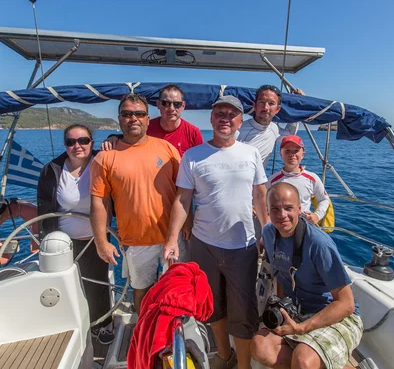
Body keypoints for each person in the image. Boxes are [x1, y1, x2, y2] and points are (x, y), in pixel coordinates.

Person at [163, 95, 269, 369]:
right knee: (212, 306)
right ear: (211, 118)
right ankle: (225, 354)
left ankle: (244, 365)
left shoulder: (251, 153)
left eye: (232, 114)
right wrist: (172, 239)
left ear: (240, 121)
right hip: (204, 244)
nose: (225, 118)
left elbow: (260, 195)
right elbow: (182, 200)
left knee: (243, 311)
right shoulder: (193, 155)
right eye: (219, 112)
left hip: (242, 246)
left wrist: (267, 234)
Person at [251, 182, 362, 369]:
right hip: (297, 312)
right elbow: (281, 274)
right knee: (260, 346)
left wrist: (302, 329)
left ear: (300, 209)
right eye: (275, 209)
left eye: (288, 208)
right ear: (268, 210)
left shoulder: (319, 244)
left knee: (303, 359)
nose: (282, 215)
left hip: (336, 317)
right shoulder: (269, 233)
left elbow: (346, 304)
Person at [90, 93, 181, 313]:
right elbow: (99, 203)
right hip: (136, 239)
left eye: (139, 113)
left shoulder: (167, 150)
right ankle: (143, 332)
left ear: (148, 119)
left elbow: (183, 192)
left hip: (173, 236)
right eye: (127, 114)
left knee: (176, 287)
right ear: (119, 119)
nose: (133, 118)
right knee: (141, 289)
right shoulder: (104, 158)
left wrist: (185, 227)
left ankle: (170, 334)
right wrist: (101, 241)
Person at [100, 84, 203, 253]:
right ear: (158, 104)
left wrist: (188, 220)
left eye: (176, 104)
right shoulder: (147, 126)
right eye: (166, 103)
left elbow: (196, 178)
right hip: (143, 217)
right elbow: (131, 135)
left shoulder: (193, 133)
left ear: (183, 106)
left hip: (179, 207)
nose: (171, 108)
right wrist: (113, 137)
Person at [37, 124, 114, 344]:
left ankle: (102, 324)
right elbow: (44, 206)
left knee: (98, 284)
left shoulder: (104, 160)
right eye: (70, 142)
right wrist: (44, 238)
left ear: (92, 142)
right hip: (63, 241)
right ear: (65, 145)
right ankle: (72, 326)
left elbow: (127, 142)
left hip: (95, 238)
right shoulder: (52, 170)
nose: (77, 146)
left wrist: (114, 137)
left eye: (83, 141)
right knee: (68, 285)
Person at [268, 135, 330, 226]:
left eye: (296, 151)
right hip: (279, 226)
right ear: (281, 154)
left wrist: (317, 215)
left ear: (303, 154)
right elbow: (263, 204)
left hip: (303, 226)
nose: (292, 154)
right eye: (287, 151)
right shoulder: (271, 181)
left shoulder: (312, 178)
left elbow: (324, 199)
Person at [236, 84, 304, 165]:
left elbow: (290, 133)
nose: (266, 108)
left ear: (277, 109)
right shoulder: (238, 130)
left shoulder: (274, 129)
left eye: (271, 103)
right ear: (255, 106)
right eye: (262, 102)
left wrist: (297, 103)